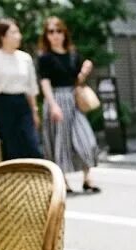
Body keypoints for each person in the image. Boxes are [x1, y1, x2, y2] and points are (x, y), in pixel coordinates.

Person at [38, 16, 100, 194]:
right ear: (46, 36)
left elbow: (76, 80)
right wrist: (53, 105)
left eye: (58, 31)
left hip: (73, 99)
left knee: (86, 139)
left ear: (64, 33)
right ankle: (62, 182)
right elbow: (45, 83)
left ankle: (87, 178)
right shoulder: (45, 58)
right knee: (60, 142)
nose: (55, 35)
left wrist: (84, 72)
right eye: (51, 32)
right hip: (56, 99)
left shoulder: (73, 54)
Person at [0, 19, 42, 161]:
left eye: (18, 32)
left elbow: (31, 88)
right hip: (3, 105)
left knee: (32, 147)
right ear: (2, 36)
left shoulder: (25, 58)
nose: (18, 36)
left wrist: (34, 111)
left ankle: (33, 181)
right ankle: (13, 182)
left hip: (22, 103)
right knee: (10, 149)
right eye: (13, 32)